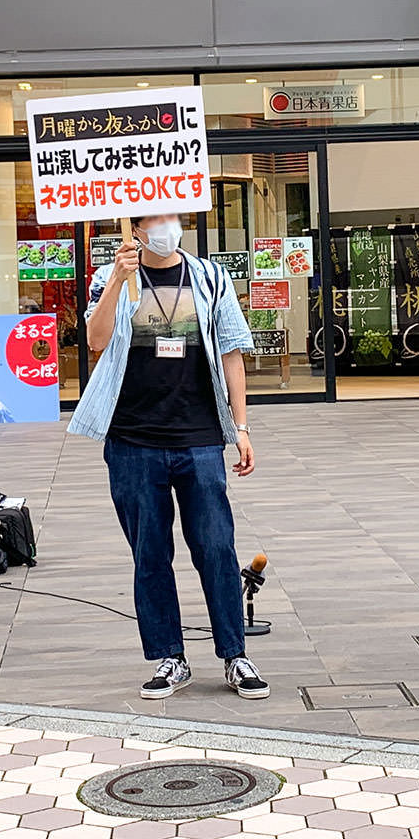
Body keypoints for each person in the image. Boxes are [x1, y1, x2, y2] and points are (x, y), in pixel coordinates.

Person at [68, 215, 266, 701]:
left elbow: (232, 353)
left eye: (171, 215)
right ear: (133, 227)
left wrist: (240, 427)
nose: (166, 225)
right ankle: (168, 657)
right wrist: (116, 278)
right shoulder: (112, 277)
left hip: (198, 436)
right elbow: (94, 341)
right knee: (150, 553)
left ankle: (234, 654)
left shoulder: (210, 277)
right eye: (153, 217)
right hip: (133, 439)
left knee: (217, 547)